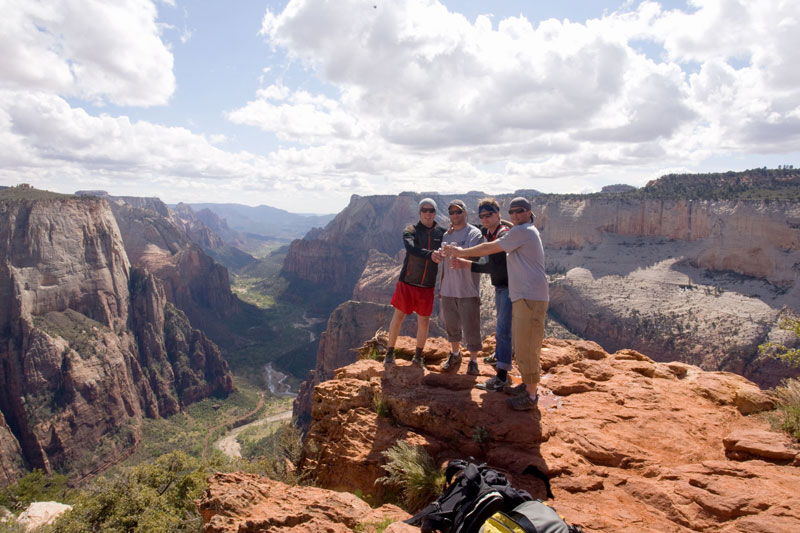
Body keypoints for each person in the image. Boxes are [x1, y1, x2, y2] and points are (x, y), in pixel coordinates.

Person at [443, 197, 548, 410]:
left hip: (526, 295)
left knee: (519, 340)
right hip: (521, 293)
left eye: (520, 211)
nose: (516, 215)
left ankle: (523, 391)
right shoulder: (518, 230)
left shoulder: (517, 232)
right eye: (481, 216)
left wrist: (462, 254)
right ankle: (527, 386)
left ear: (529, 212)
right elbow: (494, 261)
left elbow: (490, 252)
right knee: (519, 340)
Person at [456, 198, 513, 391]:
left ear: (497, 213)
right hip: (500, 285)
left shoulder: (502, 234)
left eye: (489, 215)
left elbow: (491, 266)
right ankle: (500, 356)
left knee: (504, 330)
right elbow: (470, 229)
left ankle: (502, 377)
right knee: (501, 324)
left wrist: (467, 263)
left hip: (510, 287)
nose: (485, 219)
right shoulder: (487, 232)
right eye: (482, 216)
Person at [384, 198, 445, 367]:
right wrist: (430, 254)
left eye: (431, 210)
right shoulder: (410, 230)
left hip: (427, 285)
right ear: (419, 212)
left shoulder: (441, 232)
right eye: (424, 210)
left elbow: (460, 232)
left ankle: (418, 356)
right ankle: (390, 352)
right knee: (398, 317)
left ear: (435, 212)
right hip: (408, 282)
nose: (427, 213)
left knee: (424, 321)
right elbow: (410, 248)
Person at [439, 199, 484, 375]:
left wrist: (458, 255)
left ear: (465, 213)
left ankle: (473, 361)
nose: (455, 215)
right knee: (451, 324)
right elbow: (444, 262)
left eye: (458, 212)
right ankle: (455, 353)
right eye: (452, 212)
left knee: (471, 325)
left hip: (468, 289)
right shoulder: (446, 235)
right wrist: (441, 287)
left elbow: (475, 256)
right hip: (448, 288)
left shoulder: (474, 233)